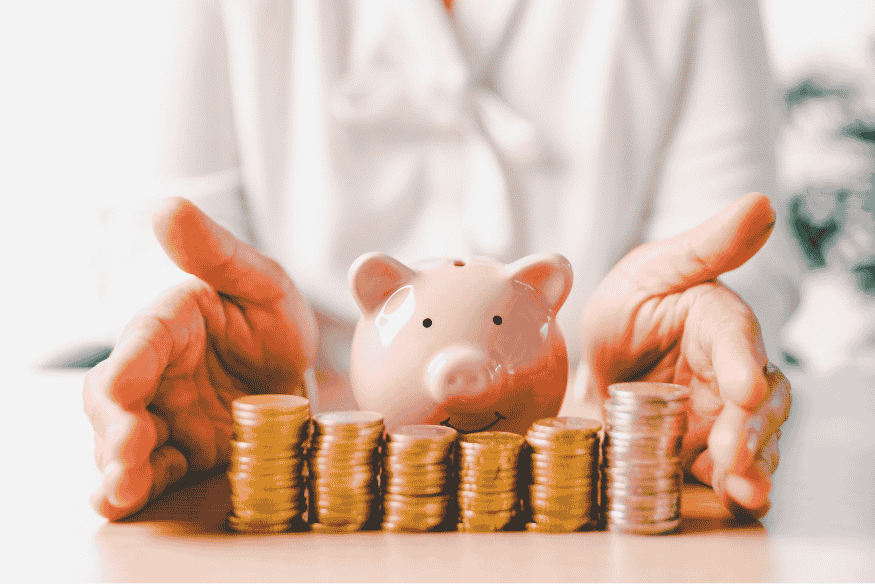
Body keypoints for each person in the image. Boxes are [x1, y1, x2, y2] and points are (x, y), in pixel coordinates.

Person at [84, 0, 795, 521]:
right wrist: (203, 332)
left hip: (580, 430)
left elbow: (729, 245)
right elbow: (162, 231)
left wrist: (690, 335)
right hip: (302, 442)